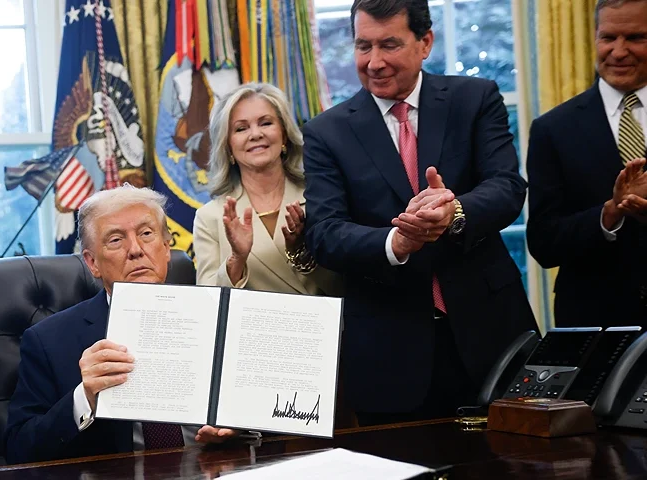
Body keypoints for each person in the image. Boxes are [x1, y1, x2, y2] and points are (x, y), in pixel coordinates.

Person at [302, 0, 537, 426]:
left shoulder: (475, 98)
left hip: (490, 335)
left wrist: (456, 212)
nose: (374, 62)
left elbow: (507, 188)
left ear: (425, 42)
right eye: (363, 46)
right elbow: (324, 233)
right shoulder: (325, 132)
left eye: (389, 45)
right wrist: (396, 241)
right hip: (388, 351)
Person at [4, 186, 244, 464]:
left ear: (166, 248)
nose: (135, 250)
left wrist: (237, 428)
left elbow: (255, 416)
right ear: (92, 262)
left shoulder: (217, 320)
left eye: (146, 234)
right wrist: (85, 398)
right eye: (116, 240)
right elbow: (18, 450)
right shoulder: (48, 341)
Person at [527, 0, 647, 328]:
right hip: (597, 327)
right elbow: (543, 243)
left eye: (636, 37)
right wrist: (610, 213)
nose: (619, 52)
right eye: (608, 38)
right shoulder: (553, 129)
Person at [194, 82, 341, 297]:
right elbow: (207, 302)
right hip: (253, 329)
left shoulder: (321, 195)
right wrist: (237, 259)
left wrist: (301, 250)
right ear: (228, 147)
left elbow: (347, 285)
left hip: (321, 325)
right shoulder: (211, 217)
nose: (255, 134)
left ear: (284, 134)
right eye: (241, 128)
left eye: (265, 123)